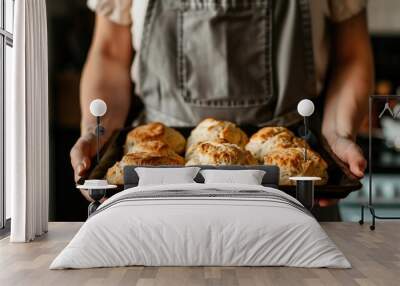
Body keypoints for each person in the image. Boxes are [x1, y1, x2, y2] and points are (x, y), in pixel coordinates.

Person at [70, 0, 374, 215]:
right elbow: (109, 54)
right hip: (154, 179)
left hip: (291, 188)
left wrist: (338, 133)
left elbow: (351, 56)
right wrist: (96, 137)